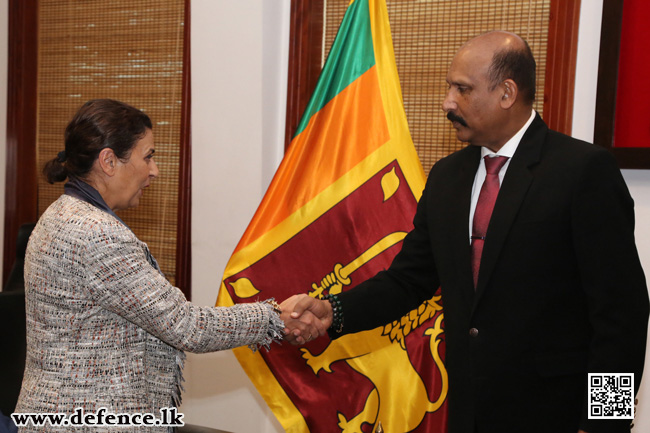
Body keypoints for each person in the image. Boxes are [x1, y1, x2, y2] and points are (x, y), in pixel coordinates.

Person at [285, 31, 649, 433]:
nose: (448, 103)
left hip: (555, 415)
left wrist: (605, 424)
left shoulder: (582, 171)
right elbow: (408, 280)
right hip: (467, 413)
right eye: (449, 87)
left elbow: (621, 314)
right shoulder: (447, 177)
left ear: (506, 93)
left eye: (463, 89)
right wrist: (333, 311)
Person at [14, 99, 323, 432]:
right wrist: (274, 318)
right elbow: (186, 326)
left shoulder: (60, 214)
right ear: (108, 161)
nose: (155, 170)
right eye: (147, 156)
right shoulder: (97, 234)